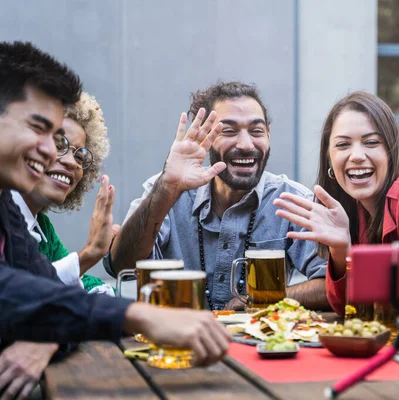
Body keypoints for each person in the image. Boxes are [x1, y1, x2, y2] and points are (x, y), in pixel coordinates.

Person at [0, 41, 230, 399]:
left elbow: (49, 293)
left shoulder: (7, 207)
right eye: (38, 129)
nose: (50, 152)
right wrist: (138, 315)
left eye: (64, 143)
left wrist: (48, 334)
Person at [107, 82, 328, 311]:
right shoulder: (165, 188)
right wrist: (166, 189)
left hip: (260, 343)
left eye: (257, 131)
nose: (245, 144)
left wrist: (262, 298)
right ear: (206, 137)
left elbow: (330, 286)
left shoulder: (292, 199)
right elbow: (122, 265)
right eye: (228, 131)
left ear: (269, 135)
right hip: (176, 342)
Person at [273, 91, 399, 315]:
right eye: (343, 145)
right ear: (329, 157)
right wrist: (340, 249)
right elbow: (347, 308)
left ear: (391, 150)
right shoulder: (355, 209)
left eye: (371, 142)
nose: (356, 155)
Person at [12, 92, 116, 295]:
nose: (72, 162)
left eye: (81, 155)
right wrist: (91, 251)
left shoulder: (41, 227)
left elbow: (80, 279)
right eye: (59, 145)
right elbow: (19, 293)